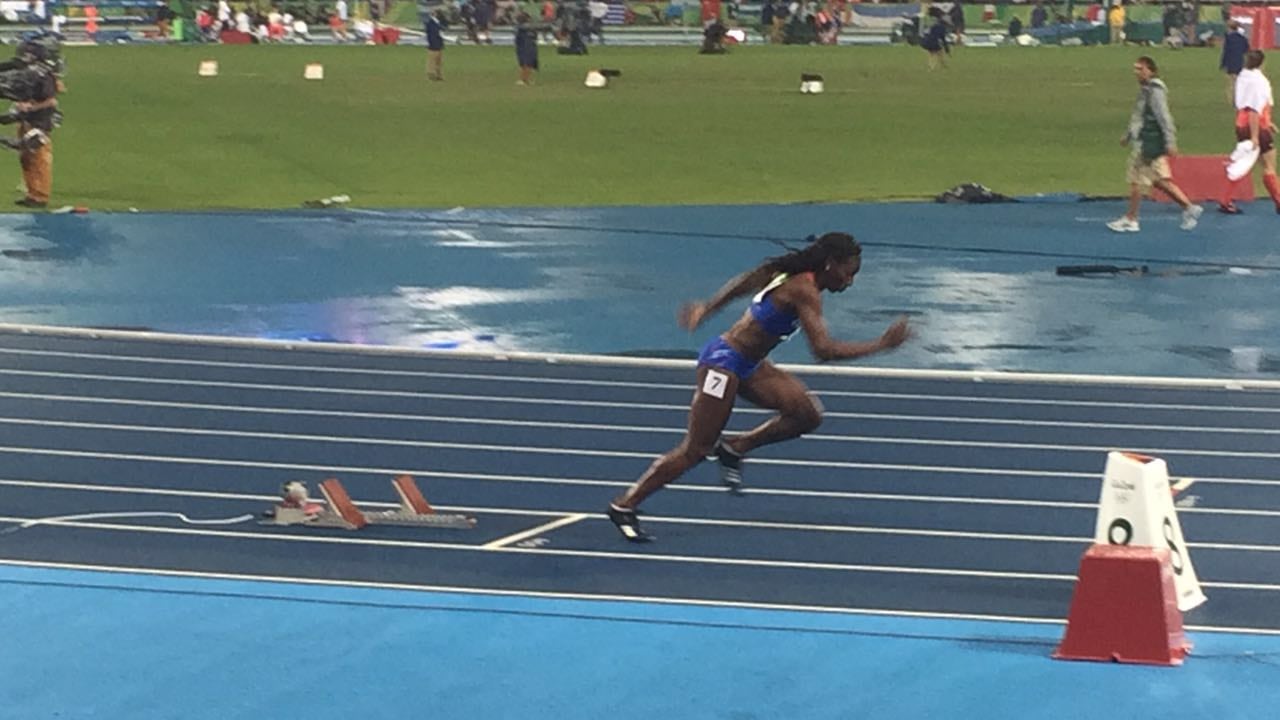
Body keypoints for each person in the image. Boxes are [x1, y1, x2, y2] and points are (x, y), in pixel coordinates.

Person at [606, 233, 912, 542]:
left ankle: (735, 447)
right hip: (723, 364)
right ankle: (625, 505)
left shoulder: (789, 273)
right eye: (849, 272)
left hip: (751, 364)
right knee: (696, 449)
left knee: (806, 414)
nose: (850, 282)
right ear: (831, 264)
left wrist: (708, 308)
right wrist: (882, 344)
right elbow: (823, 350)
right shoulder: (803, 290)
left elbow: (747, 280)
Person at [1107, 56, 1202, 233]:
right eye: (1136, 69)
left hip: (1149, 142)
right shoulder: (1146, 90)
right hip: (1147, 140)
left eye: (1141, 69)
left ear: (1151, 71)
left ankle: (1131, 219)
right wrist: (1128, 135)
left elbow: (1163, 117)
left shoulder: (1154, 91)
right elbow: (1139, 115)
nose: (1137, 72)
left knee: (1136, 180)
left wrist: (1170, 141)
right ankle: (1189, 207)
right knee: (1159, 180)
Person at [1219, 50, 1280, 215]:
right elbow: (1254, 108)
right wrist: (1255, 135)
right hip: (1257, 126)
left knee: (1243, 163)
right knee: (1269, 165)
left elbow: (1243, 103)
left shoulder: (1242, 77)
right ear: (1262, 63)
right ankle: (1278, 200)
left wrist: (1268, 122)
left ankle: (1226, 199)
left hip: (1241, 123)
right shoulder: (1260, 81)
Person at [1221, 20, 1249, 105]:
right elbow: (1246, 49)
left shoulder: (1228, 38)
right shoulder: (1243, 38)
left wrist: (1223, 64)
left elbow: (1226, 52)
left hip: (1231, 62)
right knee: (1240, 81)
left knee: (1233, 82)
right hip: (1240, 62)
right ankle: (1241, 98)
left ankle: (1235, 99)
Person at [514, 12, 539, 85]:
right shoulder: (523, 27)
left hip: (526, 47)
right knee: (526, 64)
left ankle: (524, 80)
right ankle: (524, 79)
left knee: (527, 64)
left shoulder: (523, 27)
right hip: (526, 47)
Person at [425, 9, 446, 80]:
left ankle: (438, 75)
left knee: (439, 61)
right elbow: (432, 35)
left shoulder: (437, 22)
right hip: (434, 45)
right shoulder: (430, 23)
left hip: (439, 45)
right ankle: (431, 75)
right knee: (432, 61)